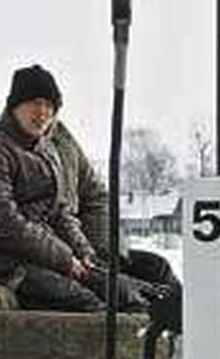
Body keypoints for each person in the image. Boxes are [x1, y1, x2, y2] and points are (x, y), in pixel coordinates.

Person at [0, 64, 150, 311]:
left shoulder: (46, 150)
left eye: (50, 106)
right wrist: (64, 259)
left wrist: (84, 253)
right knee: (89, 306)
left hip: (37, 258)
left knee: (120, 292)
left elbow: (59, 211)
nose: (42, 112)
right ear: (15, 106)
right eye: (35, 102)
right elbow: (2, 224)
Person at [48, 120, 180, 291]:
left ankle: (190, 315)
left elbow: (96, 196)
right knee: (135, 291)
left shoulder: (64, 141)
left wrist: (105, 250)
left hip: (87, 247)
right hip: (56, 255)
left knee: (156, 267)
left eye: (49, 105)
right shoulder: (10, 147)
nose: (42, 111)